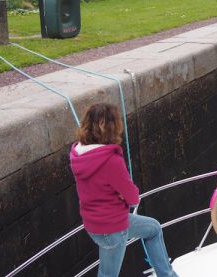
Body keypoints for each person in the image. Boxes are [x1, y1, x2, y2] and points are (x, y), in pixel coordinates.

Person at [70, 102, 178, 277]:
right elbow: (132, 196)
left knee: (153, 228)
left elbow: (98, 186)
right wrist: (129, 196)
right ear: (113, 127)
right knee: (108, 274)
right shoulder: (111, 160)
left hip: (93, 225)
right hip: (112, 227)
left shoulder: (76, 155)